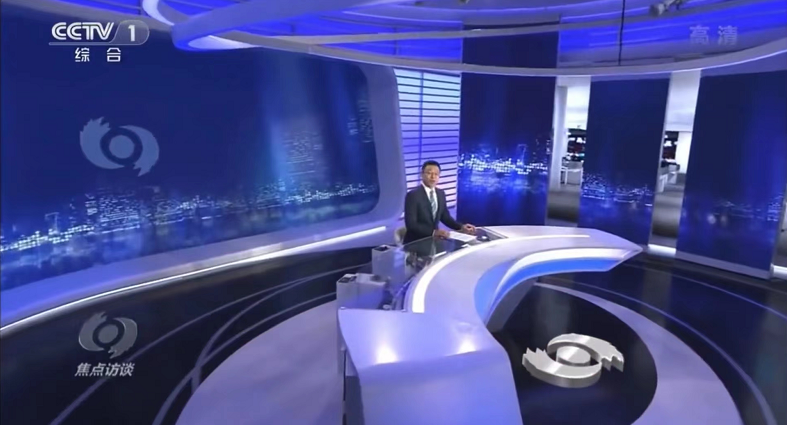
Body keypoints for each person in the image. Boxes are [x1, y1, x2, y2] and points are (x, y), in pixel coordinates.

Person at [403, 160, 476, 245]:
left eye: (436, 174)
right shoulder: (413, 195)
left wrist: (461, 227)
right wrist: (434, 232)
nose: (433, 177)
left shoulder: (440, 193)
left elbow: (445, 217)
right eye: (429, 173)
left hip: (434, 241)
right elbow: (411, 225)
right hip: (415, 243)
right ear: (422, 174)